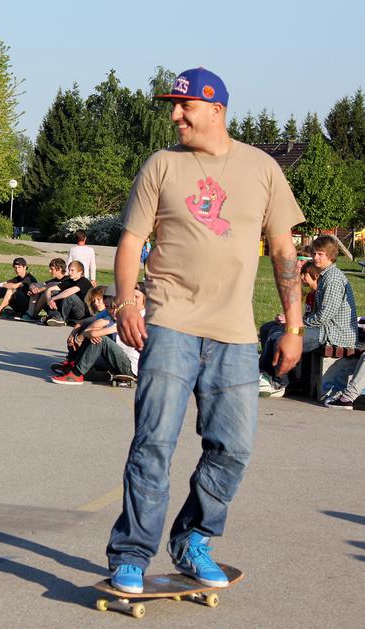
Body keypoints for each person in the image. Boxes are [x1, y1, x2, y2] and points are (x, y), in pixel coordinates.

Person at [104, 67, 305, 595]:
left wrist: (294, 327)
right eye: (172, 105)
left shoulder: (262, 169)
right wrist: (125, 301)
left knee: (233, 448)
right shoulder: (162, 165)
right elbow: (131, 242)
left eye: (184, 106)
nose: (175, 115)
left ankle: (194, 538)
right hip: (169, 323)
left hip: (235, 335)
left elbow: (284, 251)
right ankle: (131, 554)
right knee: (154, 443)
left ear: (216, 110)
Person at [259, 235, 358, 397]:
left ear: (330, 256)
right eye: (314, 253)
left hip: (334, 334)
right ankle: (269, 375)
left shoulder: (333, 278)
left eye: (320, 254)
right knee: (268, 328)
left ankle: (278, 382)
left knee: (281, 337)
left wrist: (296, 322)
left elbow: (323, 316)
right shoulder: (325, 276)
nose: (315, 257)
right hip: (322, 329)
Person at [51, 287, 145, 385]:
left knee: (100, 339)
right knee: (91, 340)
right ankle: (75, 366)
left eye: (116, 308)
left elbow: (93, 333)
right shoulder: (113, 319)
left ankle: (76, 374)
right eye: (110, 308)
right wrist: (79, 337)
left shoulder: (125, 322)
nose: (113, 311)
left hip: (130, 367)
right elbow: (91, 326)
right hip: (118, 361)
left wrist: (87, 335)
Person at [44, 260, 92, 326]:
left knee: (70, 296)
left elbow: (68, 292)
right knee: (54, 292)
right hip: (72, 311)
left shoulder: (84, 281)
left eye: (72, 270)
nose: (69, 273)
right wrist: (50, 300)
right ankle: (54, 316)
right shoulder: (70, 281)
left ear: (80, 272)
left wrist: (53, 298)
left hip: (83, 313)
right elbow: (50, 289)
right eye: (69, 270)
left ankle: (61, 319)